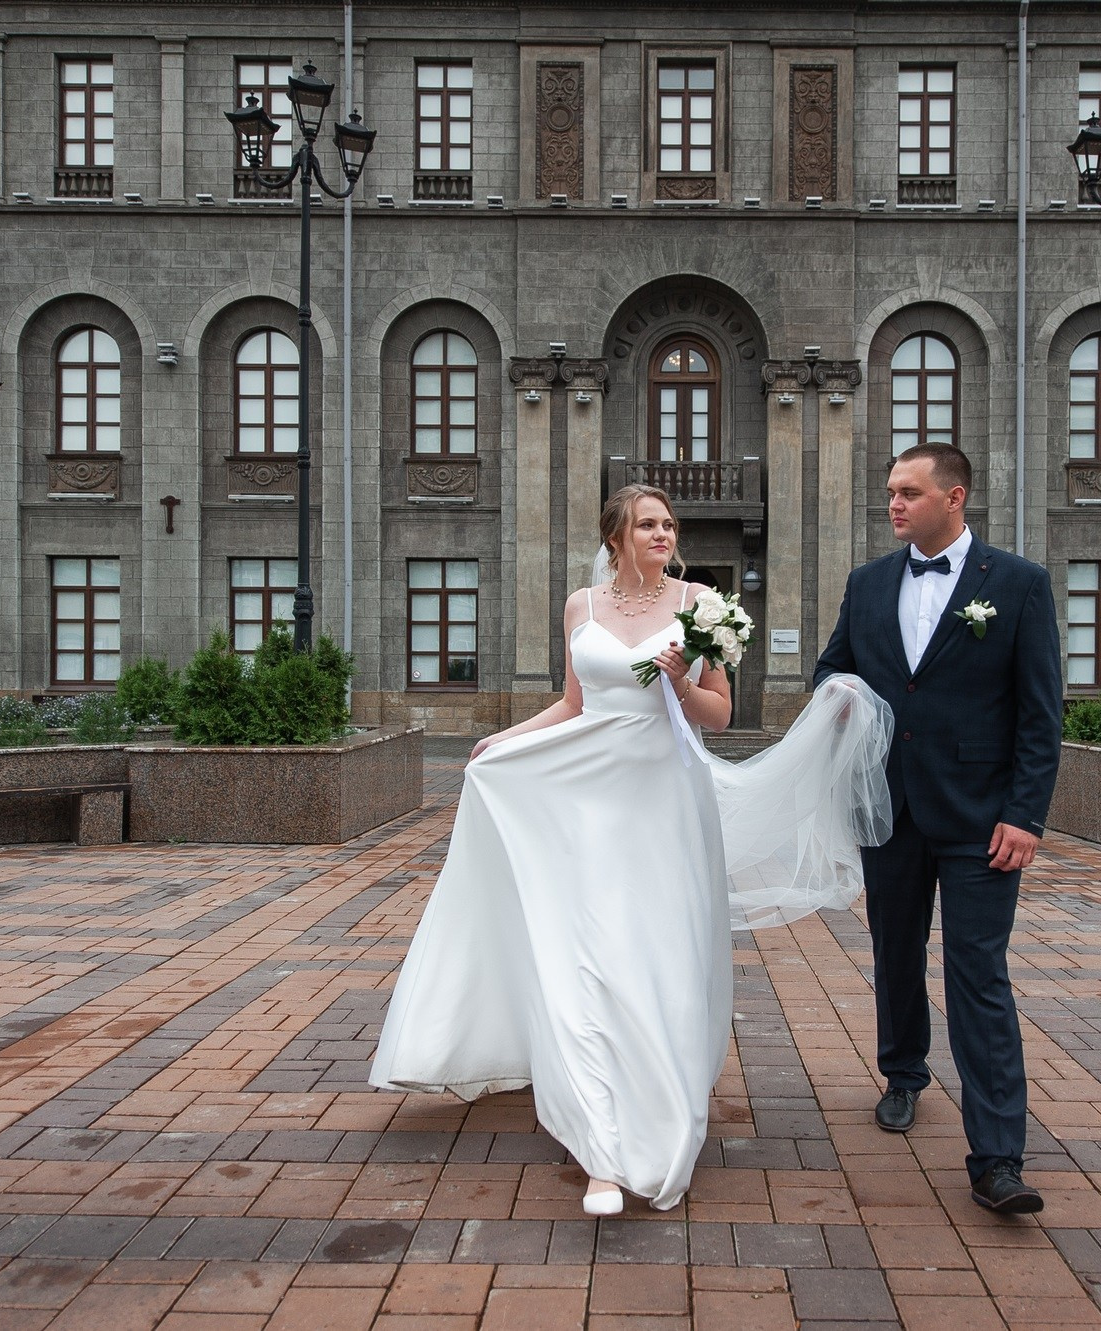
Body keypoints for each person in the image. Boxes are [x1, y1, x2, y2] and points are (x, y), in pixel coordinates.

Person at [371, 483, 894, 1217]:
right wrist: (508, 739)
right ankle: (600, 1142)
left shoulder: (700, 605)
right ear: (616, 534)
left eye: (668, 524)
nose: (662, 533)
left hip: (663, 801)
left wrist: (682, 681)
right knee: (592, 950)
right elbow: (574, 704)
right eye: (647, 523)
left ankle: (657, 1104)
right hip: (589, 799)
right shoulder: (581, 607)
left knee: (656, 952)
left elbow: (720, 710)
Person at [814, 442, 1063, 1215]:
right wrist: (845, 697)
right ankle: (904, 1071)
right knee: (894, 949)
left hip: (983, 819)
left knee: (978, 975)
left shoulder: (1017, 585)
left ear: (954, 497)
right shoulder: (867, 584)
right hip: (890, 812)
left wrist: (1025, 815)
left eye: (908, 492)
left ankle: (997, 1158)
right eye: (890, 492)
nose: (893, 504)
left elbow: (1041, 714)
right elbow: (831, 670)